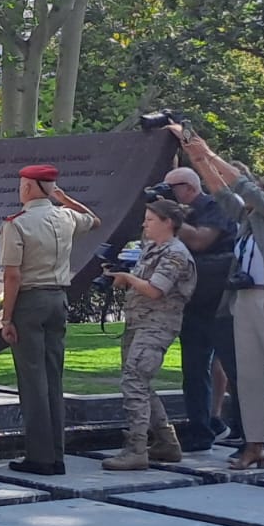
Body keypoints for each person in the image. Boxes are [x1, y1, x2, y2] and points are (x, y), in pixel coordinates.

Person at [179, 131, 264, 470]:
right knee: (249, 376)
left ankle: (257, 444)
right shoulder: (250, 221)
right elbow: (223, 193)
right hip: (244, 301)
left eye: (259, 193)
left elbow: (243, 188)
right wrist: (199, 161)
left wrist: (209, 153)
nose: (248, 199)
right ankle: (255, 445)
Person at [0, 164, 100, 474]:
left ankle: (40, 457)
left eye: (22, 184)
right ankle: (57, 454)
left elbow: (13, 276)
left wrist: (6, 318)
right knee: (53, 378)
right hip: (58, 300)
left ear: (28, 188)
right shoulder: (66, 216)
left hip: (30, 302)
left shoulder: (17, 224)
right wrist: (63, 198)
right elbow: (94, 220)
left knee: (33, 381)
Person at [101, 201, 197, 470]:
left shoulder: (175, 254)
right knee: (139, 382)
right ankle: (166, 442)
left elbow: (156, 290)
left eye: (150, 219)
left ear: (168, 223)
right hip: (139, 323)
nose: (145, 224)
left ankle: (136, 450)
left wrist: (128, 278)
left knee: (134, 381)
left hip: (157, 326)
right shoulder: (152, 249)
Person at [158, 166, 242, 451]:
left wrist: (171, 218)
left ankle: (246, 430)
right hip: (192, 298)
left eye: (171, 188)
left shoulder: (215, 206)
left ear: (189, 187)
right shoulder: (180, 212)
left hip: (219, 299)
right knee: (193, 369)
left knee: (232, 366)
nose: (167, 194)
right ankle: (199, 430)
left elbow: (200, 240)